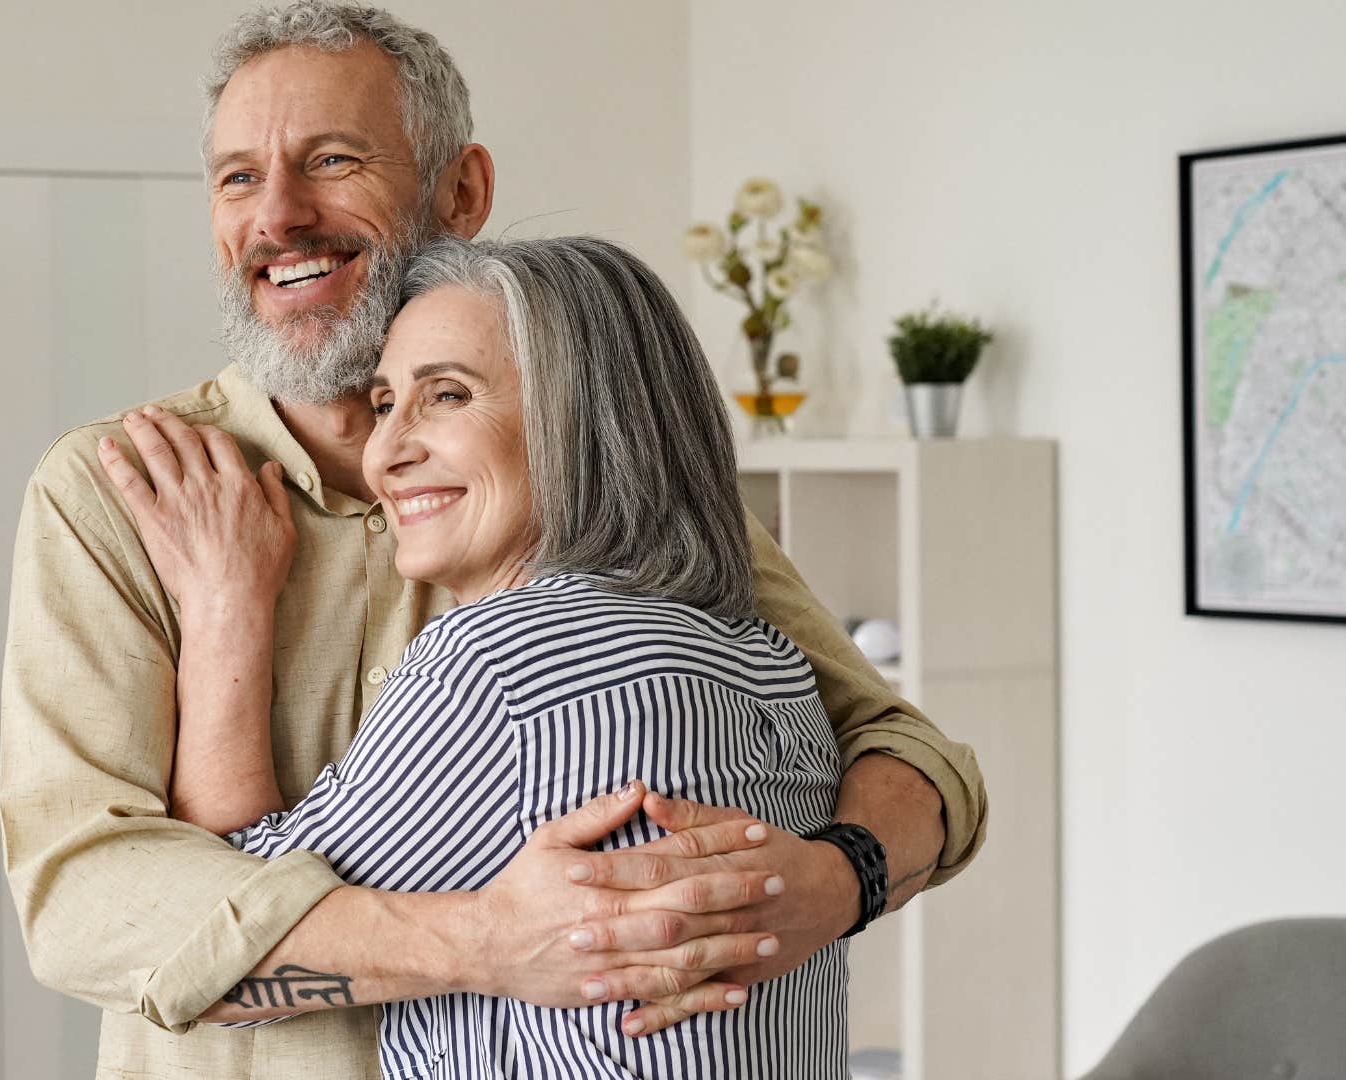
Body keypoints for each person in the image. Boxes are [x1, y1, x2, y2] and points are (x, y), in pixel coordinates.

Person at [0, 4, 987, 1077]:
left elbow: (912, 754)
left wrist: (835, 884)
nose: (277, 215)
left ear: (460, 192)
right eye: (237, 178)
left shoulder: (601, 488)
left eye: (331, 160)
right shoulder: (114, 493)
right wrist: (486, 945)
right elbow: (86, 901)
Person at [106, 234, 852, 1077]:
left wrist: (223, 608)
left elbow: (232, 936)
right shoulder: (774, 665)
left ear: (586, 423)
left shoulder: (502, 661)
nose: (387, 453)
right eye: (386, 404)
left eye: (448, 396)